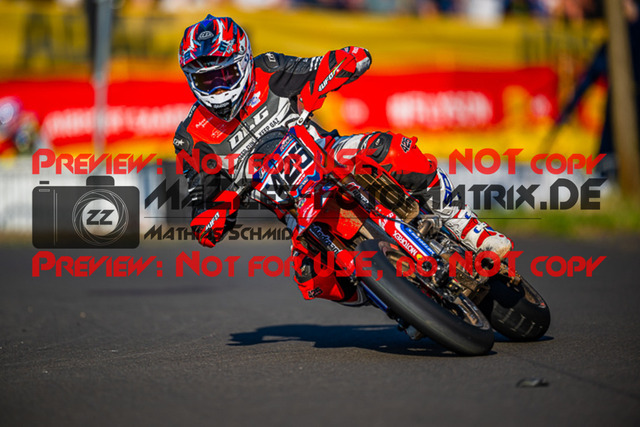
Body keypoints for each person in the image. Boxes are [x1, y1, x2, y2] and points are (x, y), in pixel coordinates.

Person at [173, 15, 512, 305]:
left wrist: (344, 63)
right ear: (191, 80)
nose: (218, 89)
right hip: (293, 209)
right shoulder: (191, 137)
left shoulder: (270, 69)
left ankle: (466, 226)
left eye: (225, 75)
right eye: (206, 80)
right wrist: (221, 208)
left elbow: (318, 67)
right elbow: (202, 215)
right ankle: (387, 297)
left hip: (329, 155)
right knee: (311, 278)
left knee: (389, 149)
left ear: (245, 61)